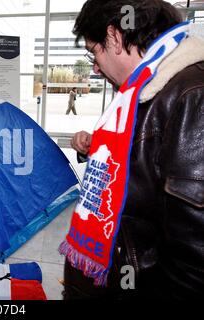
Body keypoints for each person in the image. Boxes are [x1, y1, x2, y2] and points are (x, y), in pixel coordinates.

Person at [62, 0, 204, 299]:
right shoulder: (149, 89)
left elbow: (193, 256)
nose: (97, 68)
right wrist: (94, 148)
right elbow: (146, 168)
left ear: (114, 36)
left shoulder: (192, 97)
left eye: (94, 53)